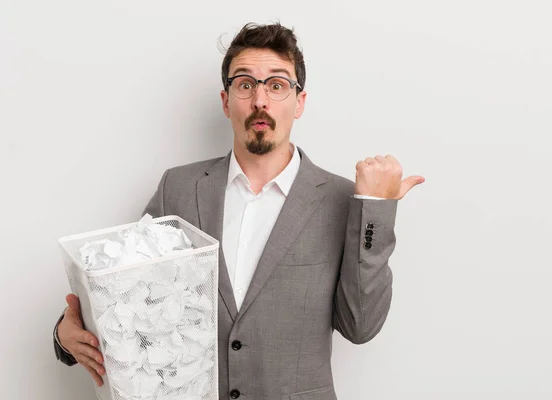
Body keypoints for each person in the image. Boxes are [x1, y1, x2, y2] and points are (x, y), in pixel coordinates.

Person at [53, 22, 424, 400]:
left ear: (299, 102)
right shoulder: (178, 188)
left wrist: (374, 209)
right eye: (245, 84)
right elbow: (131, 301)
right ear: (226, 100)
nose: (260, 100)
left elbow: (360, 326)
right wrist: (66, 335)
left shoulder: (342, 199)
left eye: (277, 85)